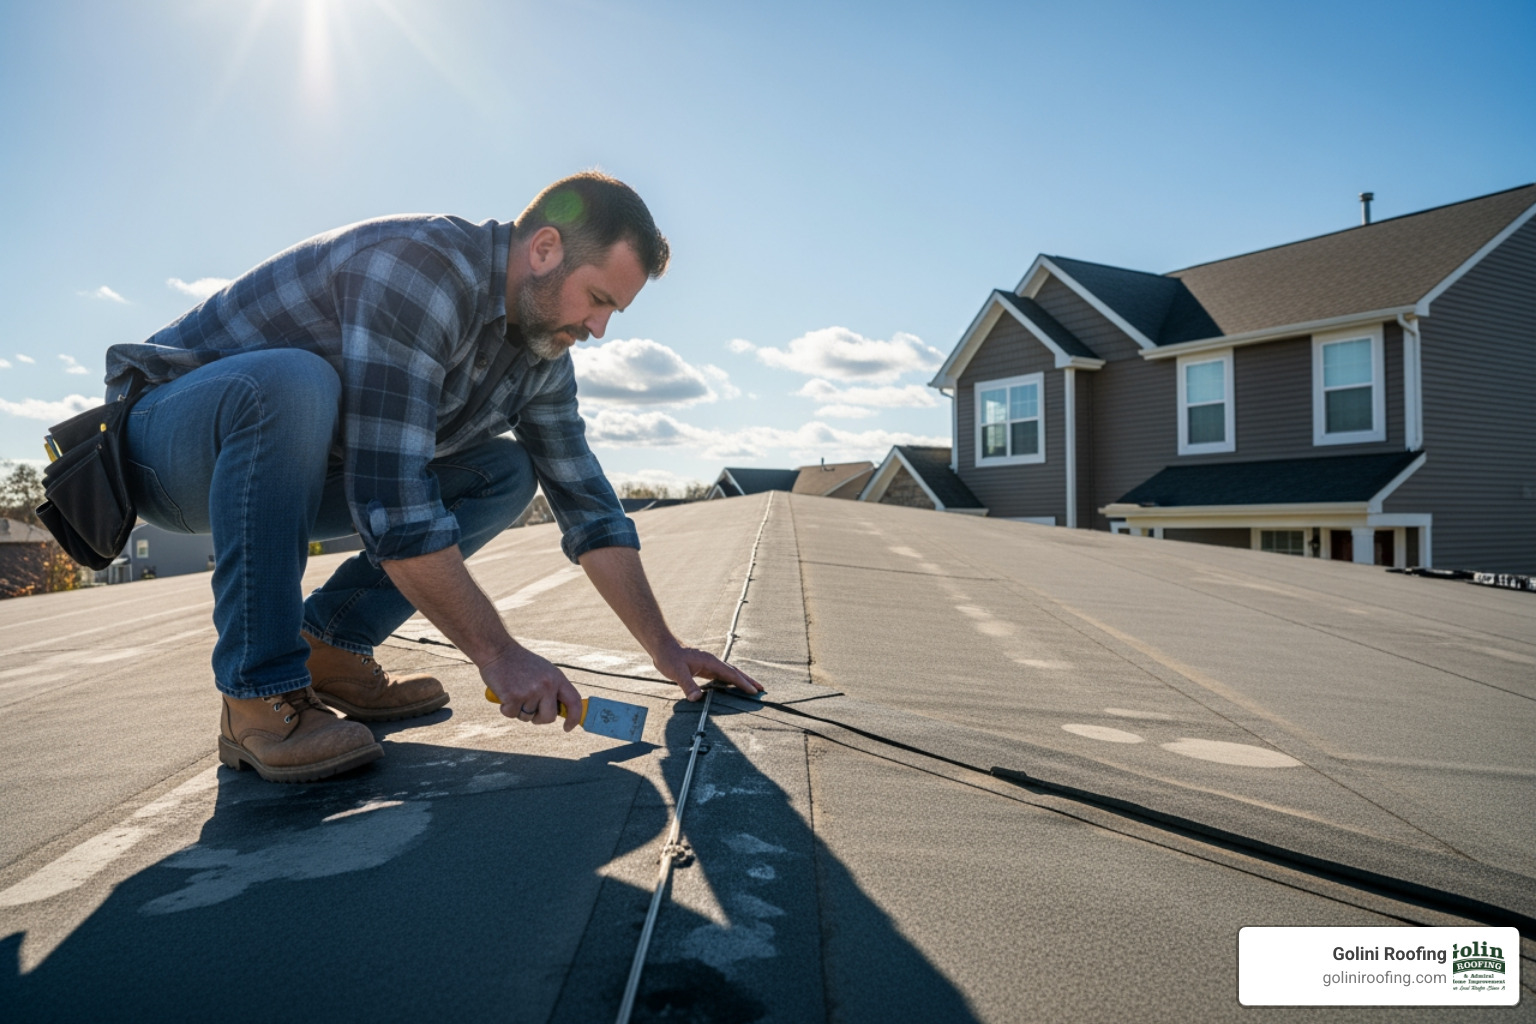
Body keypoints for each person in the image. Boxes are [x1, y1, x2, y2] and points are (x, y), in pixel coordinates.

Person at [104, 171, 762, 783]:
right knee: (293, 383)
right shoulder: (418, 270)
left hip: (293, 475)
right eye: (597, 300)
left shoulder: (540, 357)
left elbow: (588, 506)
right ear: (544, 249)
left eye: (613, 311)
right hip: (161, 445)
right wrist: (499, 655)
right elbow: (392, 499)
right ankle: (258, 696)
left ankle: (331, 644)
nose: (599, 329)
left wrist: (666, 648)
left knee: (504, 470)